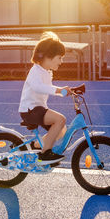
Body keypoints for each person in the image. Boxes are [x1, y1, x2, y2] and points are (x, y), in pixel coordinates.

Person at [18, 32, 71, 164]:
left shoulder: (47, 72)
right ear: (48, 56)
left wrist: (66, 92)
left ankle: (37, 145)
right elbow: (38, 87)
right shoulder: (35, 70)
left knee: (62, 130)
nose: (61, 62)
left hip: (38, 109)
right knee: (60, 119)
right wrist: (58, 90)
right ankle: (45, 154)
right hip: (30, 110)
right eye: (59, 58)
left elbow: (48, 87)